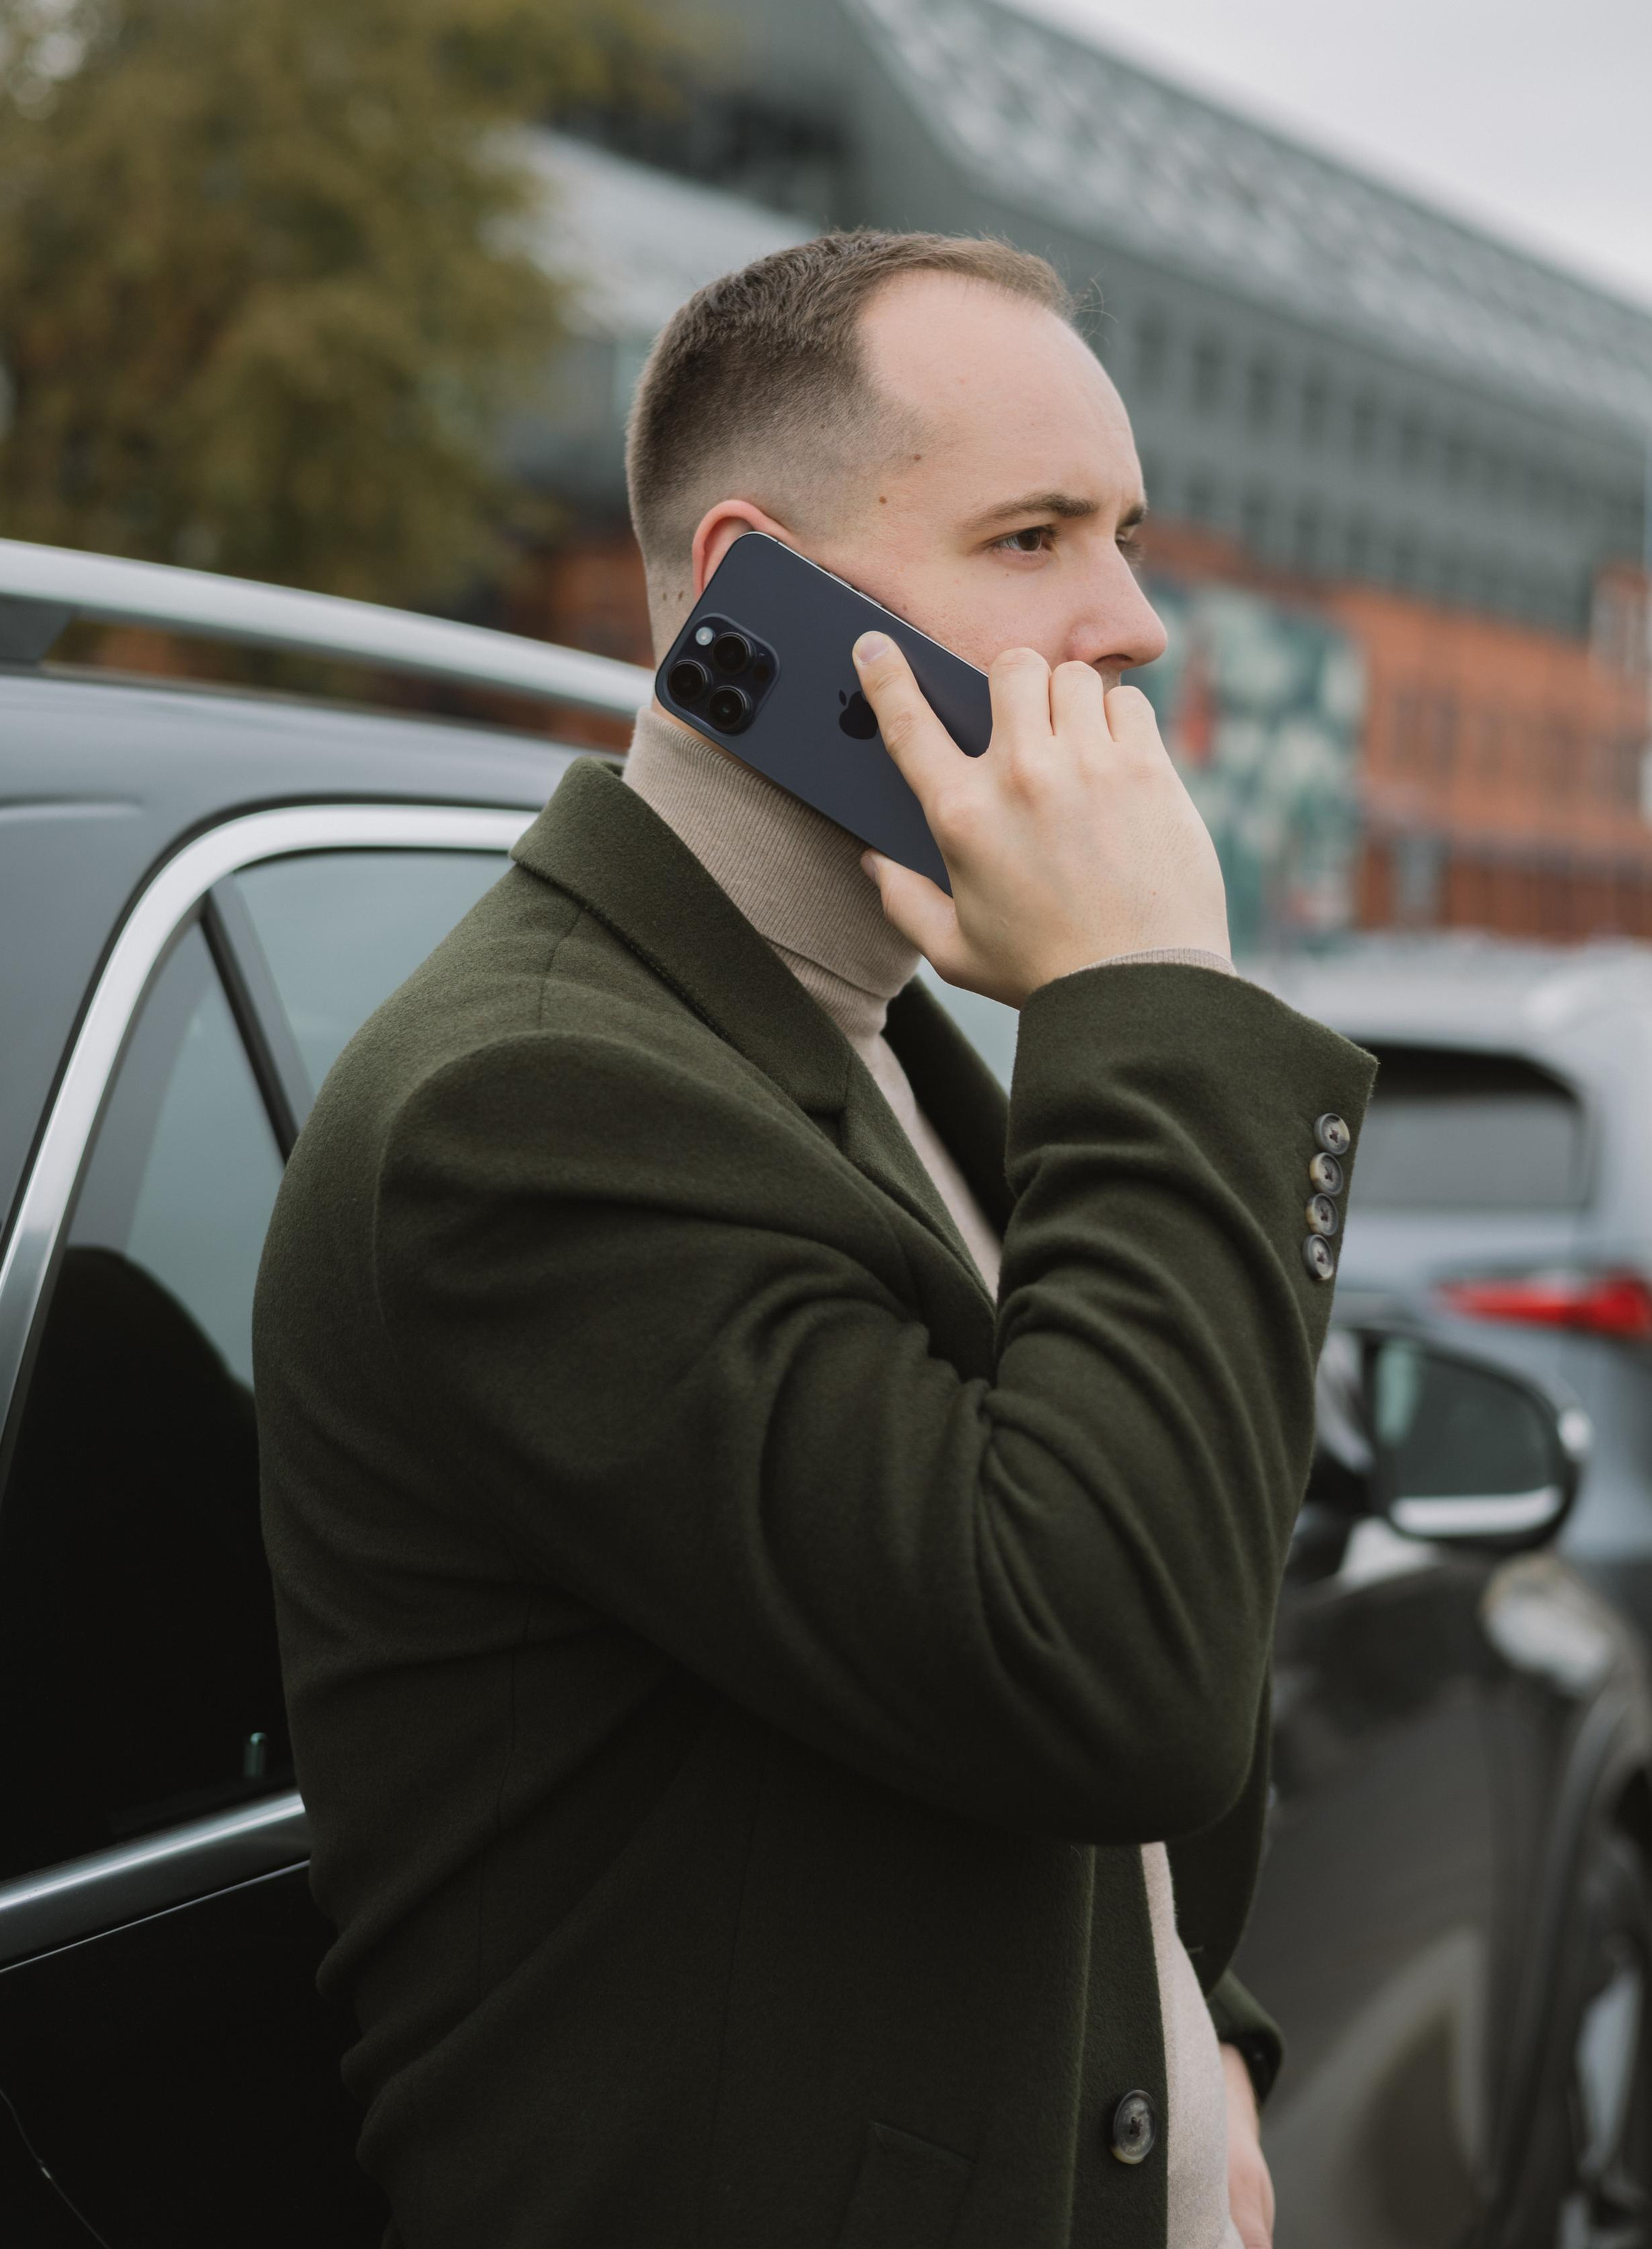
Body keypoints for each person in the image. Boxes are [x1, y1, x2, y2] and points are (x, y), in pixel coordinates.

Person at [254, 230, 1373, 2249]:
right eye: (1032, 537)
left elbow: (1051, 1595)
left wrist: (1195, 2046)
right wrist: (1149, 998)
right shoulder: (532, 1109)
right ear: (755, 591)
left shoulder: (870, 1039)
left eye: (1125, 537)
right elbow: (1103, 1658)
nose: (1134, 626)